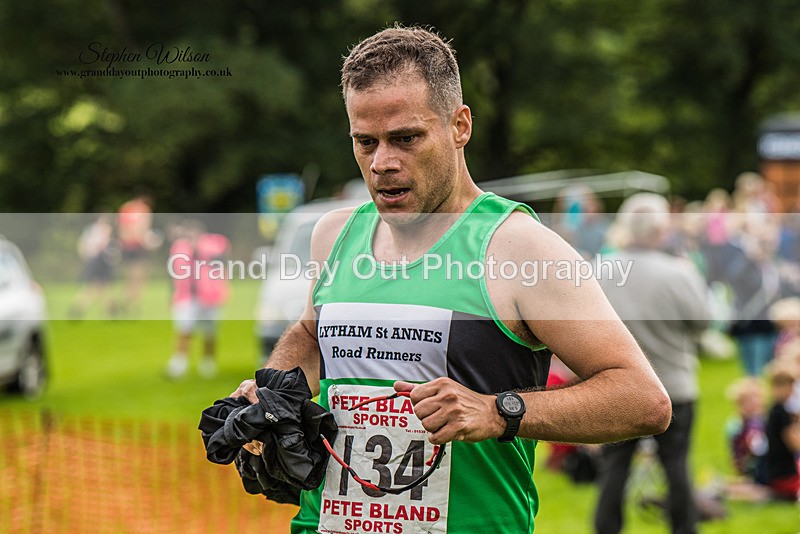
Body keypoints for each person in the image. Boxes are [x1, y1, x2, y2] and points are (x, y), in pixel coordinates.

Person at [226, 25, 671, 533]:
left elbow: (643, 399)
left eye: (406, 139)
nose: (382, 163)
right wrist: (273, 393)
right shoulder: (335, 234)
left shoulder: (519, 247)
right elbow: (309, 335)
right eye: (364, 142)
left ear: (460, 126)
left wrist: (499, 411)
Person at [592, 194, 709, 534]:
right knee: (676, 465)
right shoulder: (680, 272)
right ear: (661, 229)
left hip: (616, 387)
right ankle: (684, 528)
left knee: (615, 465)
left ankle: (606, 528)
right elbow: (702, 323)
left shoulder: (602, 269)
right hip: (674, 385)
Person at [165, 220, 231, 379]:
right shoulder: (180, 249)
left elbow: (221, 264)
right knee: (184, 329)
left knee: (210, 332)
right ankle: (179, 363)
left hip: (210, 296)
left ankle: (208, 363)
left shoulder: (214, 246)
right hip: (187, 296)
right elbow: (174, 273)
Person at [117, 192, 159, 315]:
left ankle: (125, 300)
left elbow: (121, 228)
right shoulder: (144, 210)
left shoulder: (125, 207)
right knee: (139, 277)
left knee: (129, 276)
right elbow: (142, 229)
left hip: (125, 246)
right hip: (138, 246)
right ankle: (134, 305)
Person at [68, 213, 118, 319]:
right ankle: (79, 307)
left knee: (101, 287)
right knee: (96, 286)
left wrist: (86, 256)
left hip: (92, 260)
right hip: (100, 260)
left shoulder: (89, 230)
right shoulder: (104, 229)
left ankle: (111, 309)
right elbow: (103, 245)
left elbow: (82, 245)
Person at [764, 361, 800, 501]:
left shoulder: (775, 409)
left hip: (774, 469)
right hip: (784, 474)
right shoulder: (781, 412)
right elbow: (794, 444)